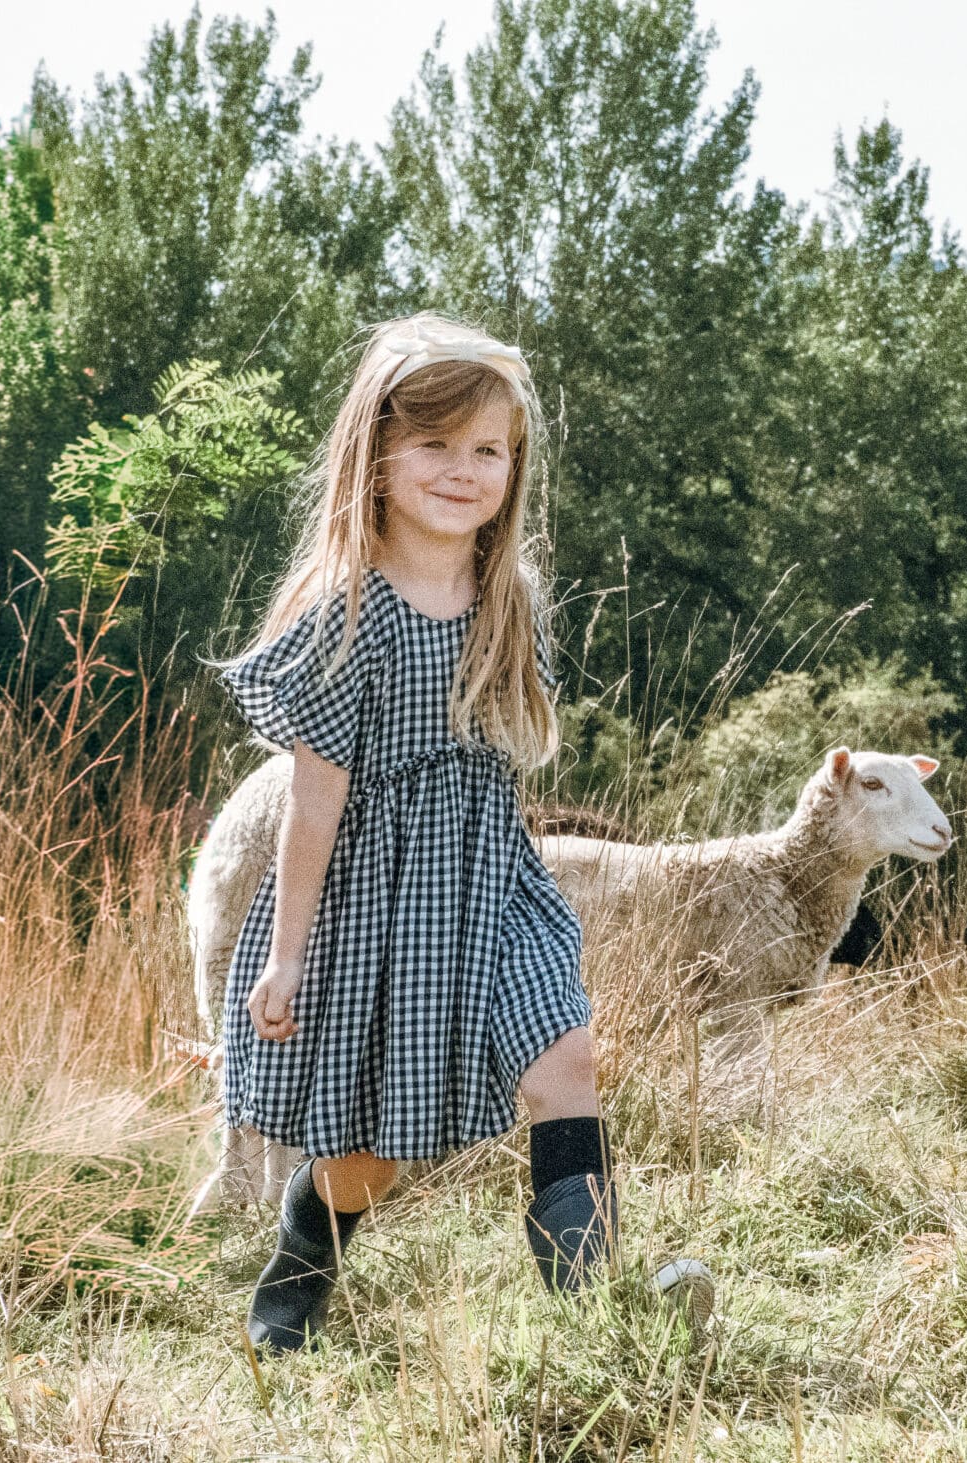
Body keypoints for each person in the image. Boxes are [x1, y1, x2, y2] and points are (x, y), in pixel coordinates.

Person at [204, 312, 714, 1353]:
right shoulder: (342, 612)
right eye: (435, 444)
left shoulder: (503, 595)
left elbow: (510, 741)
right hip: (371, 897)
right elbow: (314, 797)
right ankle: (299, 1269)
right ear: (377, 452)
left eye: (487, 449)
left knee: (565, 1057)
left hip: (490, 878)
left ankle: (597, 1321)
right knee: (368, 1155)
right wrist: (288, 953)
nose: (462, 468)